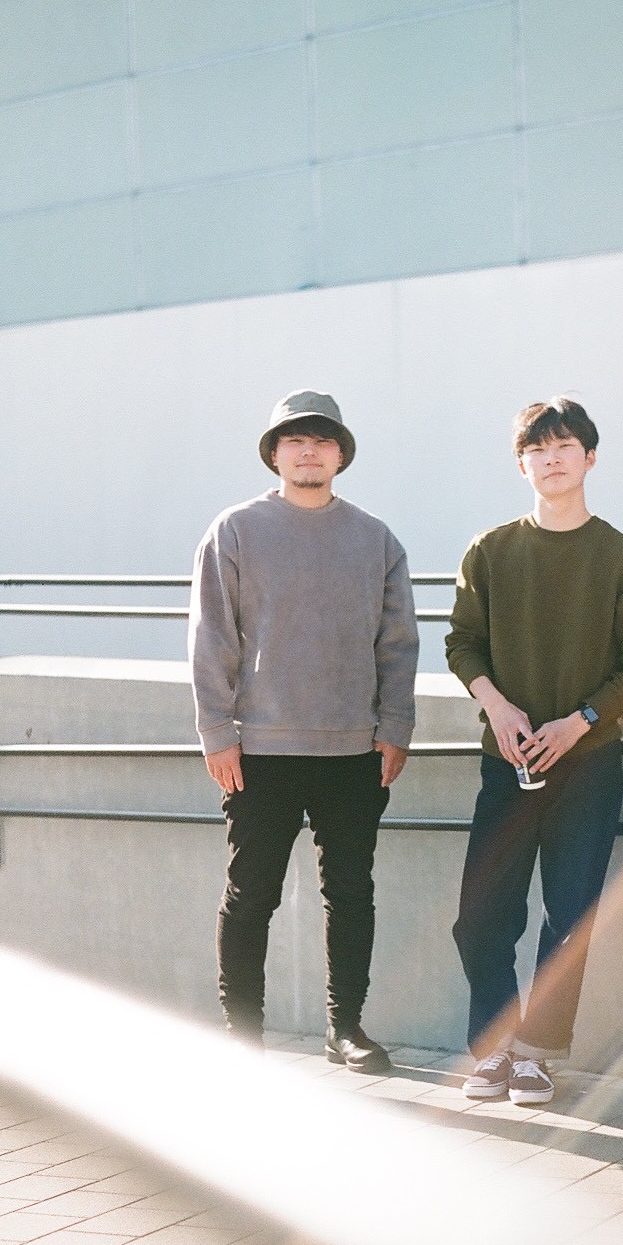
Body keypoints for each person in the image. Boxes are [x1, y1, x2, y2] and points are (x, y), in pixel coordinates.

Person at [189, 390, 419, 1074]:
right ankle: (244, 1038)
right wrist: (215, 731)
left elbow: (398, 643)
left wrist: (396, 726)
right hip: (260, 749)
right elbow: (211, 638)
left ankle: (345, 1029)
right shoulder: (234, 530)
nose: (309, 449)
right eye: (295, 439)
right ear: (275, 453)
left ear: (341, 454)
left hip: (354, 749)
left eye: (322, 439)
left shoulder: (375, 538)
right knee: (250, 894)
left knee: (350, 892)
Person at [445, 397, 623, 1106]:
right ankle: (493, 1048)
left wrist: (581, 720)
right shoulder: (489, 551)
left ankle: (536, 1054)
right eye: (537, 449)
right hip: (507, 764)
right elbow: (462, 643)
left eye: (565, 445)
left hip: (589, 765)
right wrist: (498, 707)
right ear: (522, 464)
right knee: (481, 915)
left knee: (568, 917)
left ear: (590, 457)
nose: (552, 458)